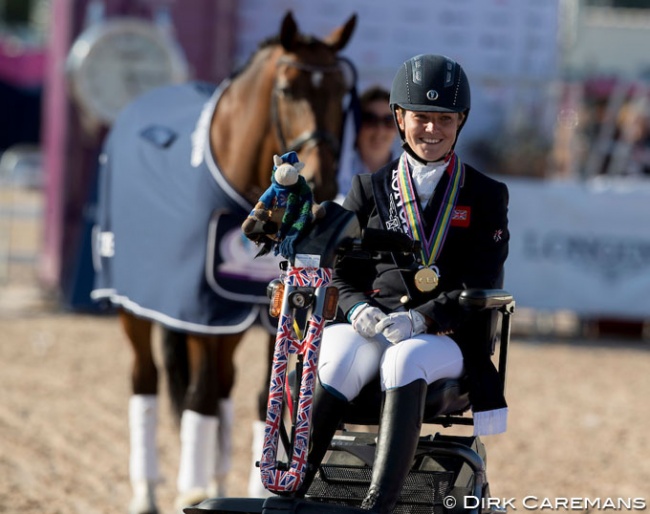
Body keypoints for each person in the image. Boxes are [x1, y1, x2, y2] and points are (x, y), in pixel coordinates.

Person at [299, 54, 510, 513]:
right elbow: (337, 272)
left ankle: (379, 504)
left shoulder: (486, 195)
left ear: (460, 122)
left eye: (444, 120)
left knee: (405, 357)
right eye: (421, 118)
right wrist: (356, 309)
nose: (431, 130)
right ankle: (292, 488)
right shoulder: (366, 188)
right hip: (375, 324)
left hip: (447, 334)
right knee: (336, 357)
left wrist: (423, 317)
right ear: (400, 117)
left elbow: (482, 280)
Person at [336, 86, 398, 201]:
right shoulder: (334, 171)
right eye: (370, 119)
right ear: (356, 124)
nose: (380, 130)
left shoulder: (410, 173)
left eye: (388, 120)